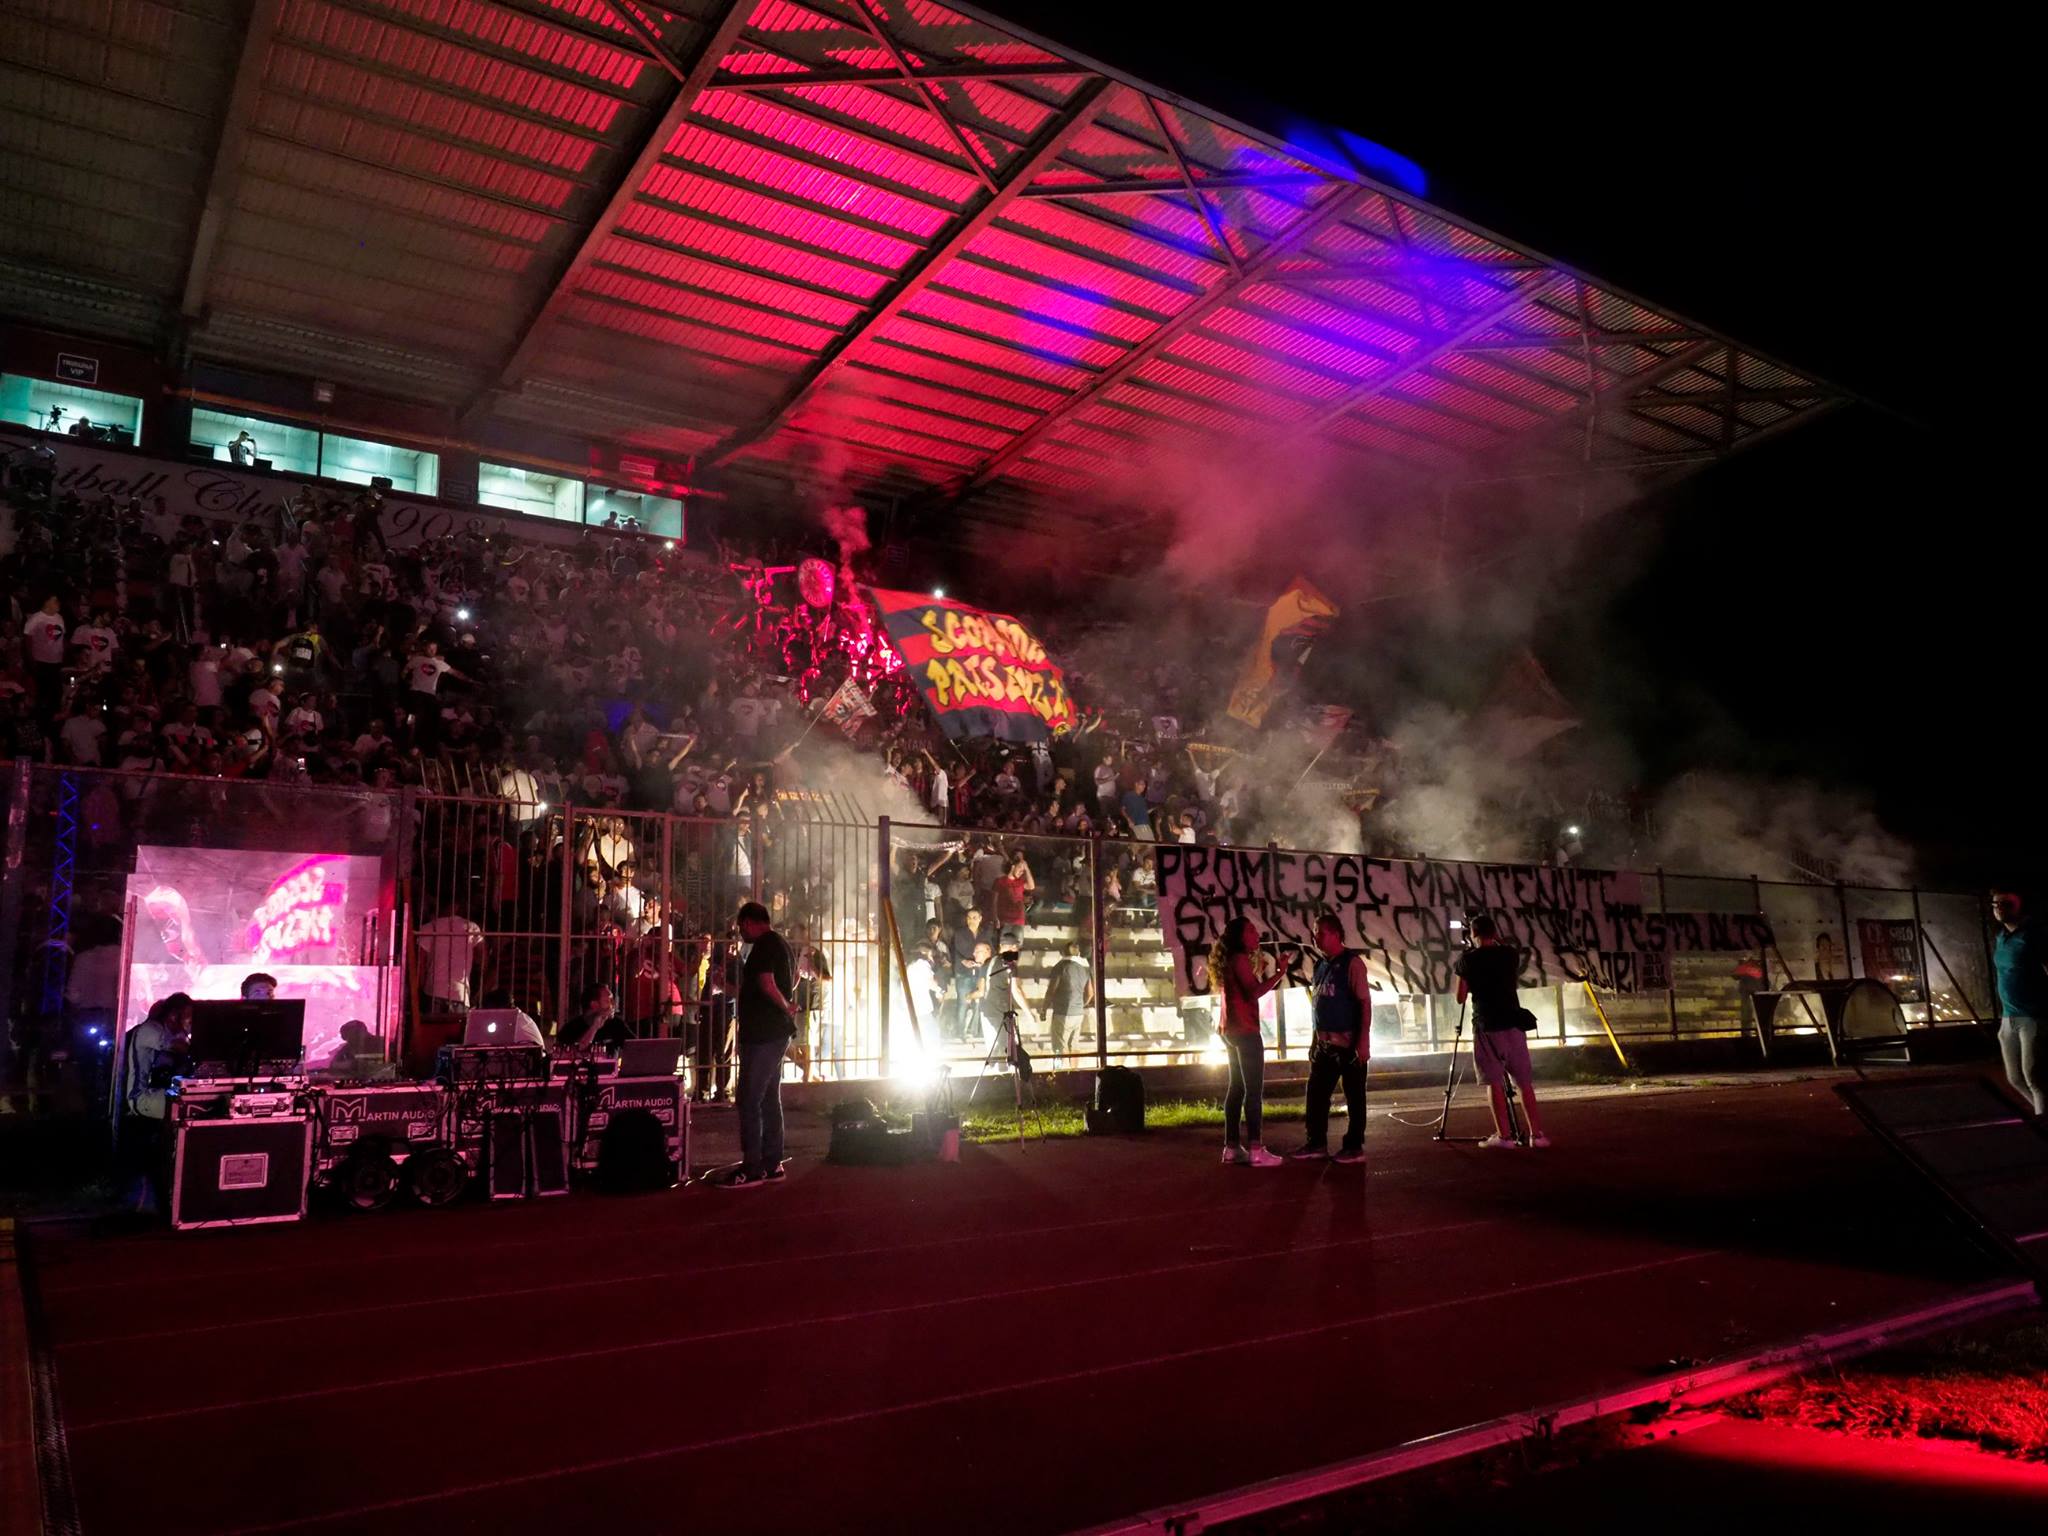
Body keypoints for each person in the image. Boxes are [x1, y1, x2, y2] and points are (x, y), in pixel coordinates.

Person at [1453, 914, 1549, 1148]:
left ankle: (1504, 1136)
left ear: (1473, 934)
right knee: (1524, 1083)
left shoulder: (1467, 960)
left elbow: (1460, 997)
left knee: (1493, 1081)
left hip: (1487, 1024)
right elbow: (1504, 951)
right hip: (1514, 1023)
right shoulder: (1509, 955)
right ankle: (1537, 1135)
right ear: (1494, 933)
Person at [725, 901, 797, 1188]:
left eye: (741, 927)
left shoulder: (765, 944)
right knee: (767, 1097)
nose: (740, 933)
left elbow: (767, 982)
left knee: (749, 1097)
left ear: (751, 922)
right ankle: (772, 1161)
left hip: (766, 1035)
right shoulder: (780, 944)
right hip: (771, 1032)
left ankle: (753, 1166)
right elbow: (782, 982)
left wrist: (786, 1006)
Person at [1291, 913, 1369, 1163]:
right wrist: (1314, 1041)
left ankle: (1354, 1146)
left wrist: (1363, 1040)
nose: (1315, 937)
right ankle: (1316, 1143)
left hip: (1347, 1043)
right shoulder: (1320, 965)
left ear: (1336, 934)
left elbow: (1364, 1003)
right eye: (1315, 932)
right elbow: (1318, 1005)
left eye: (1321, 932)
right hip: (1324, 1045)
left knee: (1354, 1095)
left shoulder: (1353, 964)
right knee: (1315, 1093)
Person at [1208, 916, 1283, 1166]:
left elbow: (1242, 988)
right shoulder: (1239, 959)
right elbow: (1254, 992)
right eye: (1251, 931)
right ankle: (1256, 1149)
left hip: (1230, 1030)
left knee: (1237, 1087)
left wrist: (1258, 972)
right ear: (1241, 936)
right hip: (1245, 1030)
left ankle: (1231, 1146)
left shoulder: (1232, 960)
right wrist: (1279, 974)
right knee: (1253, 1090)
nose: (1257, 935)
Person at [122, 992, 192, 1213]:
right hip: (141, 1098)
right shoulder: (151, 1030)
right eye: (189, 1017)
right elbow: (182, 1049)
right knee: (191, 1106)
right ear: (173, 1016)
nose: (191, 1022)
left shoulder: (168, 1032)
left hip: (159, 1094)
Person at [1991, 891, 2047, 1115]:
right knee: (2014, 1078)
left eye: (2005, 904)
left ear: (2018, 906)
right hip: (2008, 1016)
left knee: (2035, 1077)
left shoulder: (2034, 935)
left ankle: (2043, 1124)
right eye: (1995, 903)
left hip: (2032, 1016)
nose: (1998, 908)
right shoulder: (2001, 937)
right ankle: (2042, 1114)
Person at [1045, 939, 1094, 1057]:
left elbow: (1051, 990)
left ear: (1063, 953)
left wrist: (1044, 1008)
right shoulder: (1083, 969)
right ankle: (1074, 1071)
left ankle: (1059, 1072)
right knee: (1074, 1046)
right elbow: (1090, 993)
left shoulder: (1060, 967)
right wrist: (1081, 1004)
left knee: (1059, 1048)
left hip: (1062, 1012)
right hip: (1078, 1013)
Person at [558, 982, 626, 1058]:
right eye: (608, 1000)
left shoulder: (616, 1024)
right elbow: (570, 1054)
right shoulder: (571, 1029)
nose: (613, 1005)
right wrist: (594, 1028)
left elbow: (637, 1048)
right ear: (594, 1005)